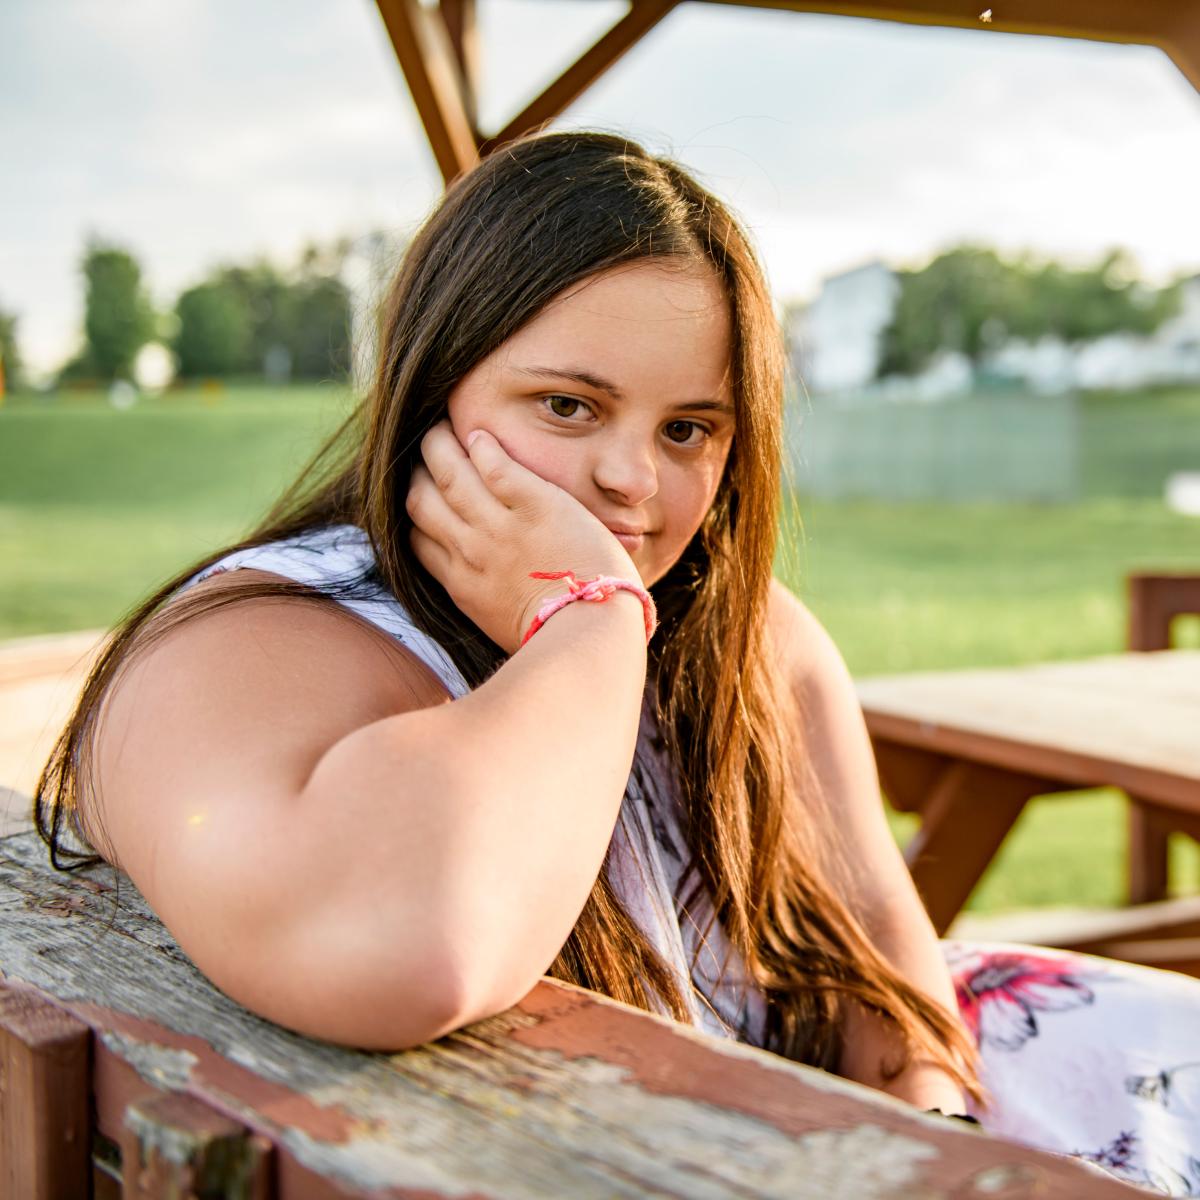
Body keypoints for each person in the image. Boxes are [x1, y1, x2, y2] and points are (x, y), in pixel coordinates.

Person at [36, 131, 1200, 1193]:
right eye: (569, 406)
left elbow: (891, 1000)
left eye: (688, 430)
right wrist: (588, 622)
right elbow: (407, 949)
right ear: (431, 388)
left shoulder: (754, 644)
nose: (634, 484)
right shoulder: (255, 648)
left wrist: (937, 1148)